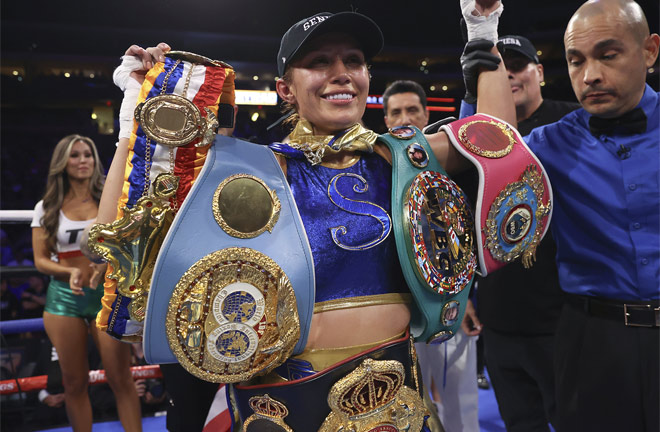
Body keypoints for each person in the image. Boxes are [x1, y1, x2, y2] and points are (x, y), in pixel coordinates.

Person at [101, 1, 517, 429]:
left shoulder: (401, 158)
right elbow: (123, 226)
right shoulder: (250, 172)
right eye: (319, 62)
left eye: (353, 61)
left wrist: (482, 30)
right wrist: (136, 118)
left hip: (398, 406)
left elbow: (499, 145)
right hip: (283, 412)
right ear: (285, 89)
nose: (341, 73)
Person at [469, 1, 659, 430]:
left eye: (607, 55)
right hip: (591, 341)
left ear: (649, 51)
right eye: (576, 60)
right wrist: (481, 30)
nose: (590, 74)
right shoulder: (549, 143)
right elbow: (491, 153)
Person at [464, 35, 579, 432]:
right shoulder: (477, 139)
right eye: (498, 68)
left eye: (518, 65)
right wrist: (462, 294)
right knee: (520, 424)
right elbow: (460, 217)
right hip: (499, 321)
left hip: (563, 320)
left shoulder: (573, 124)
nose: (508, 74)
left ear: (540, 72)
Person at [383, 78, 482, 432]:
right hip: (394, 309)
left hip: (447, 302)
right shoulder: (374, 165)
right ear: (386, 119)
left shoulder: (449, 162)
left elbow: (469, 234)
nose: (404, 117)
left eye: (412, 110)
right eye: (396, 111)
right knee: (405, 405)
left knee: (459, 399)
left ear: (426, 115)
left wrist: (466, 294)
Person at [31, 134, 142, 432]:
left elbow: (128, 245)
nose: (83, 161)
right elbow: (40, 259)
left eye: (88, 155)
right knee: (74, 382)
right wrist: (70, 273)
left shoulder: (110, 199)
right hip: (64, 299)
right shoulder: (47, 207)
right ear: (62, 163)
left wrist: (104, 264)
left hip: (106, 295)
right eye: (75, 155)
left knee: (121, 378)